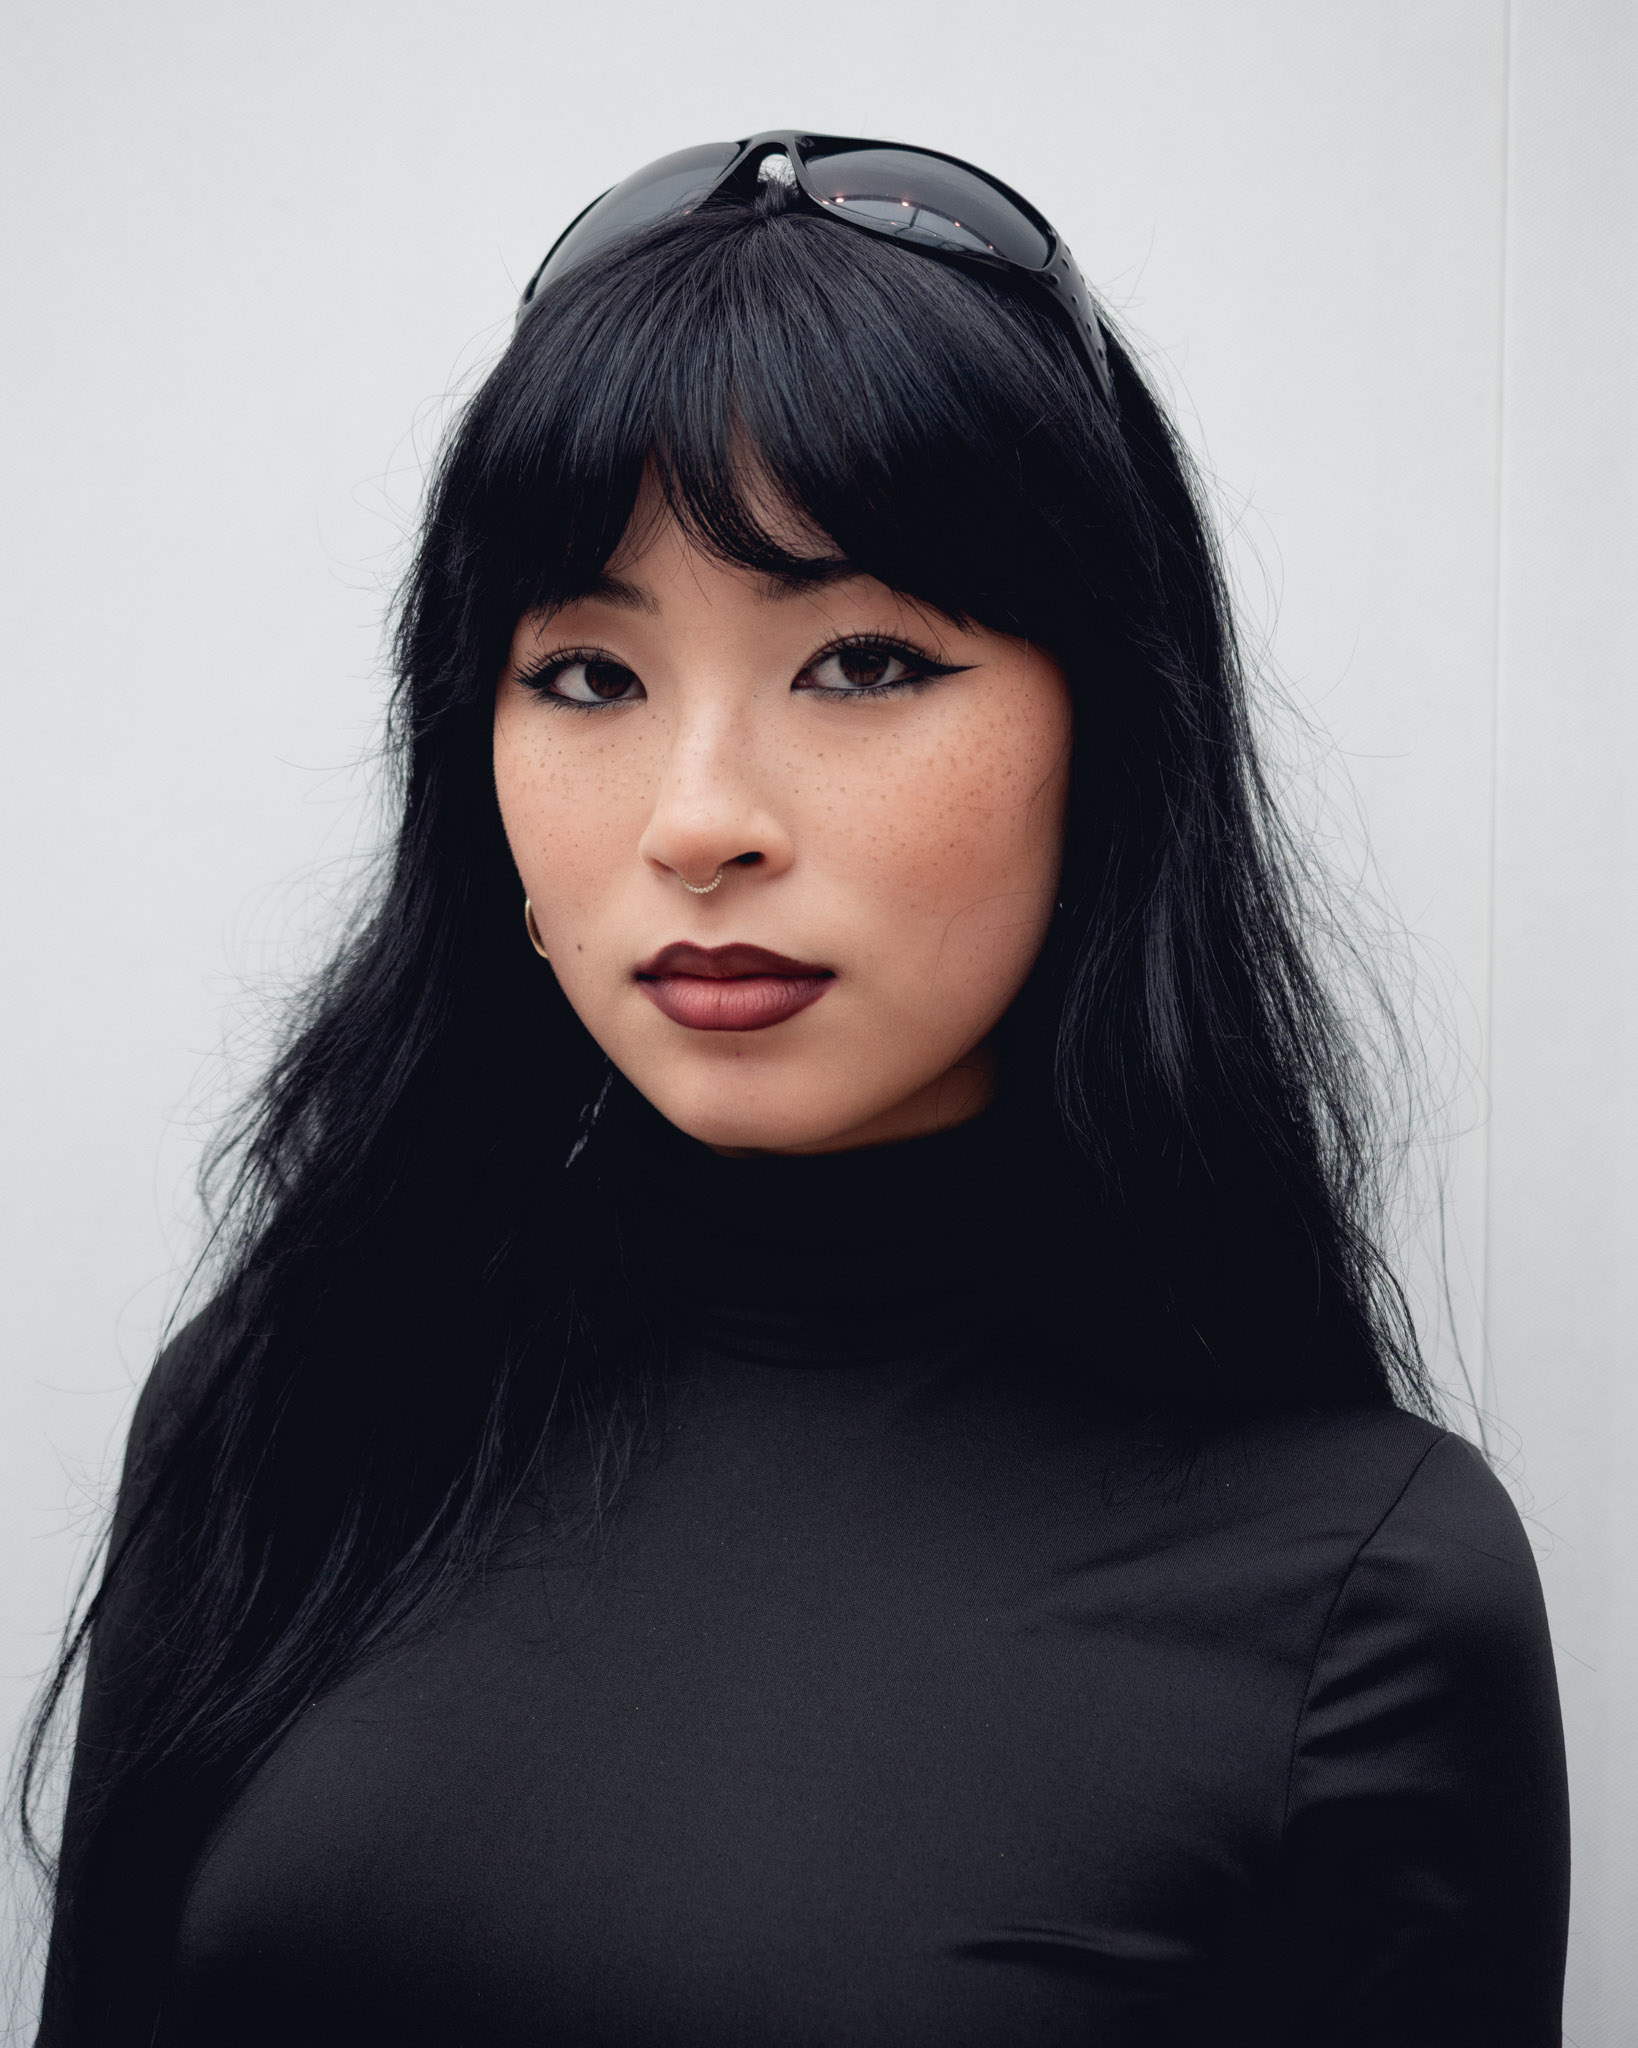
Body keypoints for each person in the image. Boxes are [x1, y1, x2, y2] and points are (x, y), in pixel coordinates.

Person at [23, 132, 1569, 2046]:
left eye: (858, 662)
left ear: (1113, 733)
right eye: (587, 676)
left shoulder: (1365, 1589)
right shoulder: (293, 1399)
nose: (698, 822)